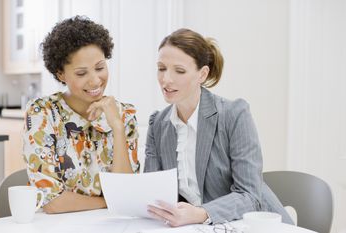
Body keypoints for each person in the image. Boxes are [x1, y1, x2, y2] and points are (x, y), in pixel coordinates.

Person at [144, 28, 293, 227]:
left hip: (253, 225)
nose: (166, 79)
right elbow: (153, 193)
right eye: (161, 68)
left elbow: (249, 195)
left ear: (202, 74)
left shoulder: (234, 114)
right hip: (202, 228)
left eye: (179, 71)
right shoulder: (158, 124)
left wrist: (200, 213)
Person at [22, 16, 139, 214]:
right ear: (61, 74)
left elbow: (128, 193)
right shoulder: (42, 113)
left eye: (100, 68)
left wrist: (117, 127)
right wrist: (110, 201)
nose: (95, 80)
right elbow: (52, 202)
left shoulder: (124, 114)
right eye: (81, 73)